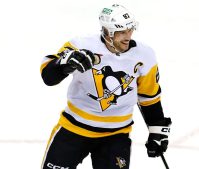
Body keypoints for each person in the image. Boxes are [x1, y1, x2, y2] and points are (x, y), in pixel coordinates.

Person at [40, 4, 172, 169]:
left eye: (130, 30)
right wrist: (66, 63)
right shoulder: (80, 45)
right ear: (107, 32)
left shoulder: (145, 56)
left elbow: (148, 95)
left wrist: (157, 130)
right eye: (121, 32)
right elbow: (48, 77)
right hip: (73, 130)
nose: (128, 36)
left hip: (116, 136)